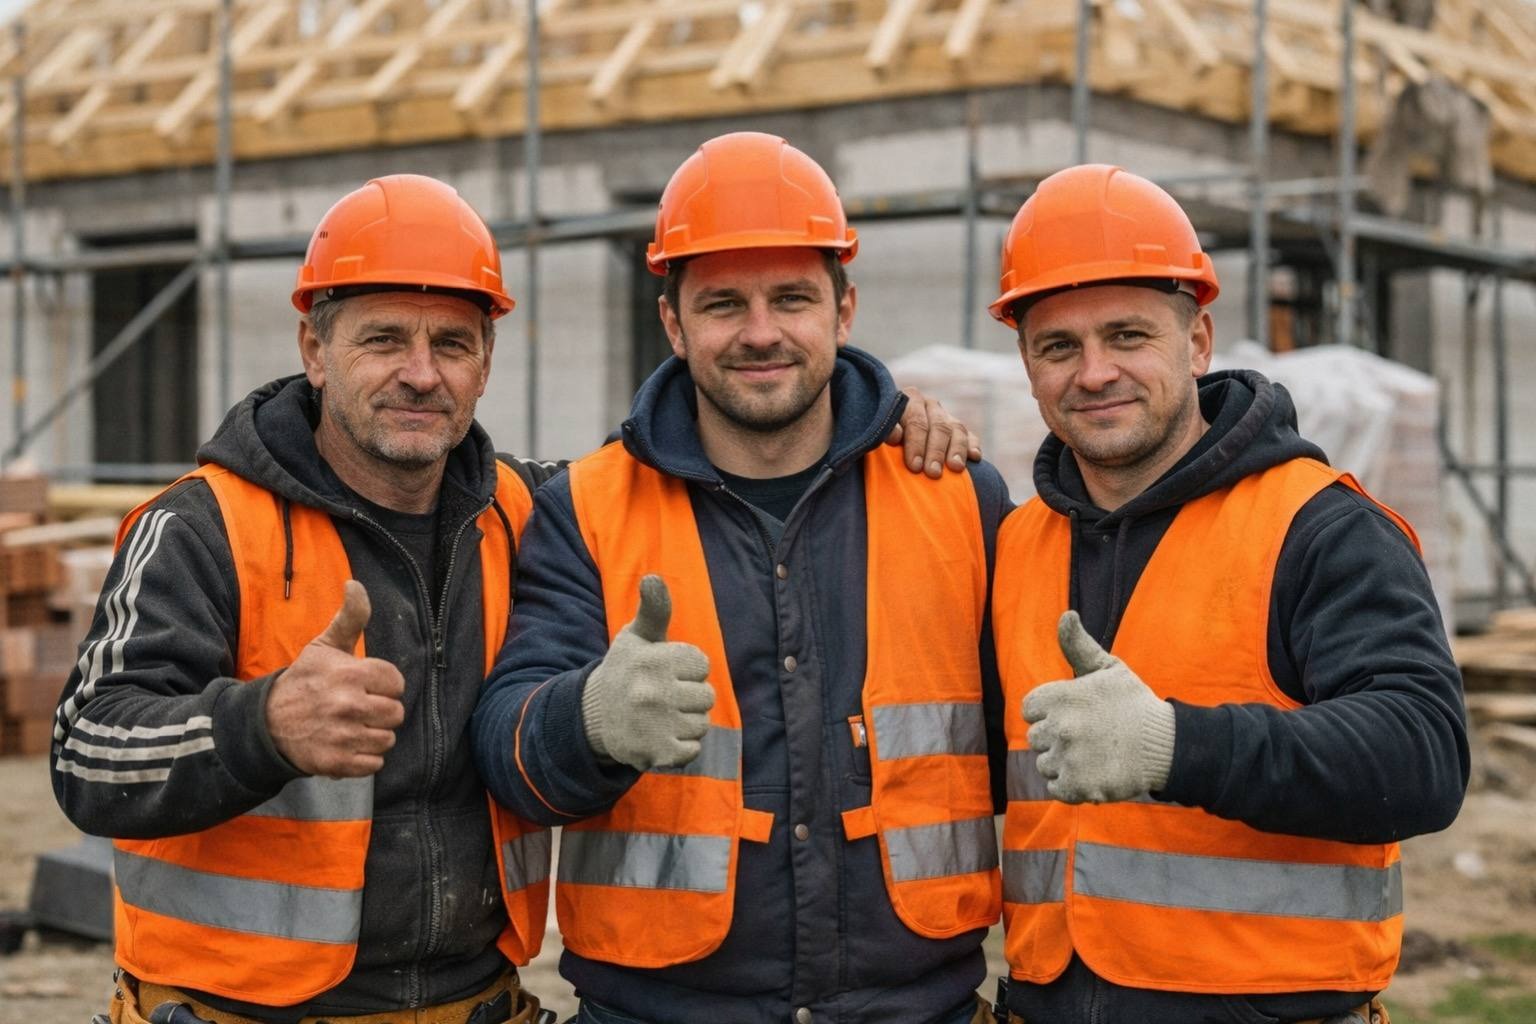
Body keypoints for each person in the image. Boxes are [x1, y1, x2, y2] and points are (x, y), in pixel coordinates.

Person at [48, 171, 979, 1024]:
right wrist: (262, 725)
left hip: (473, 1006)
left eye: (452, 342)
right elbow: (85, 753)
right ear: (314, 348)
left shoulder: (526, 512)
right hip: (229, 1012)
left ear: (486, 360)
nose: (422, 372)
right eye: (383, 338)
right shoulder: (206, 526)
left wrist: (887, 420)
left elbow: (763, 427)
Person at [472, 131, 1011, 1024]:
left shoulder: (956, 498)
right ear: (675, 324)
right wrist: (588, 723)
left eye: (791, 298)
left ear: (843, 311)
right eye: (724, 304)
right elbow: (508, 757)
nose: (761, 333)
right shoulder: (589, 509)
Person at [985, 164, 1468, 1024]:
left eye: (1128, 335)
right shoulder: (1019, 544)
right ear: (1026, 362)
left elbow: (1422, 756)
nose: (1094, 372)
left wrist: (1176, 746)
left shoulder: (1319, 527)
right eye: (1058, 346)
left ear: (1199, 341)